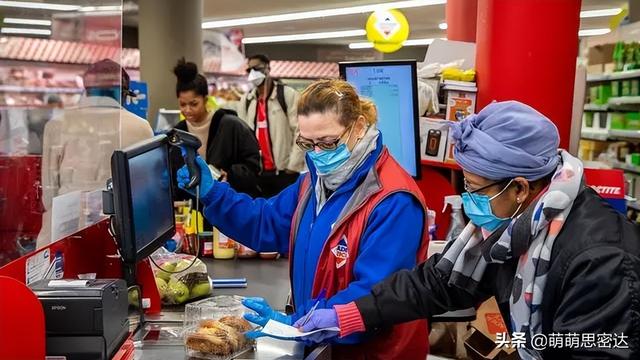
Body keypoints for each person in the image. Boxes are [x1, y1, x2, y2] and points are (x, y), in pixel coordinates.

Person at [296, 101, 640, 359]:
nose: (466, 199)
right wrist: (350, 314)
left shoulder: (600, 259)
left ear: (520, 188)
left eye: (475, 188)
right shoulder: (513, 227)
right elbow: (434, 283)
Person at [176, 79, 430, 359]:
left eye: (328, 143)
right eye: (308, 143)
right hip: (323, 346)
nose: (318, 154)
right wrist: (213, 193)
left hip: (375, 353)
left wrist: (303, 325)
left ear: (359, 127)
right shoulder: (313, 184)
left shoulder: (393, 200)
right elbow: (266, 222)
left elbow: (376, 295)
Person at [38, 59, 153, 248]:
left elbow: (48, 194)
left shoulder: (57, 125)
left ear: (87, 90)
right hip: (120, 235)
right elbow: (145, 191)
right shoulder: (141, 127)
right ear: (124, 94)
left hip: (64, 233)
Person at [170, 58, 261, 198]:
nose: (187, 110)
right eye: (182, 104)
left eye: (194, 104)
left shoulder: (232, 126)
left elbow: (254, 166)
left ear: (205, 100)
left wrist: (230, 174)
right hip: (192, 211)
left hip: (229, 203)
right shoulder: (177, 135)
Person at [235, 54, 305, 198]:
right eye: (250, 70)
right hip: (258, 174)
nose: (253, 73)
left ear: (268, 68)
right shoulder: (246, 101)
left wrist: (292, 166)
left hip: (284, 173)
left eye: (257, 68)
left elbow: (300, 131)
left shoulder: (286, 95)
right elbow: (242, 137)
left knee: (287, 215)